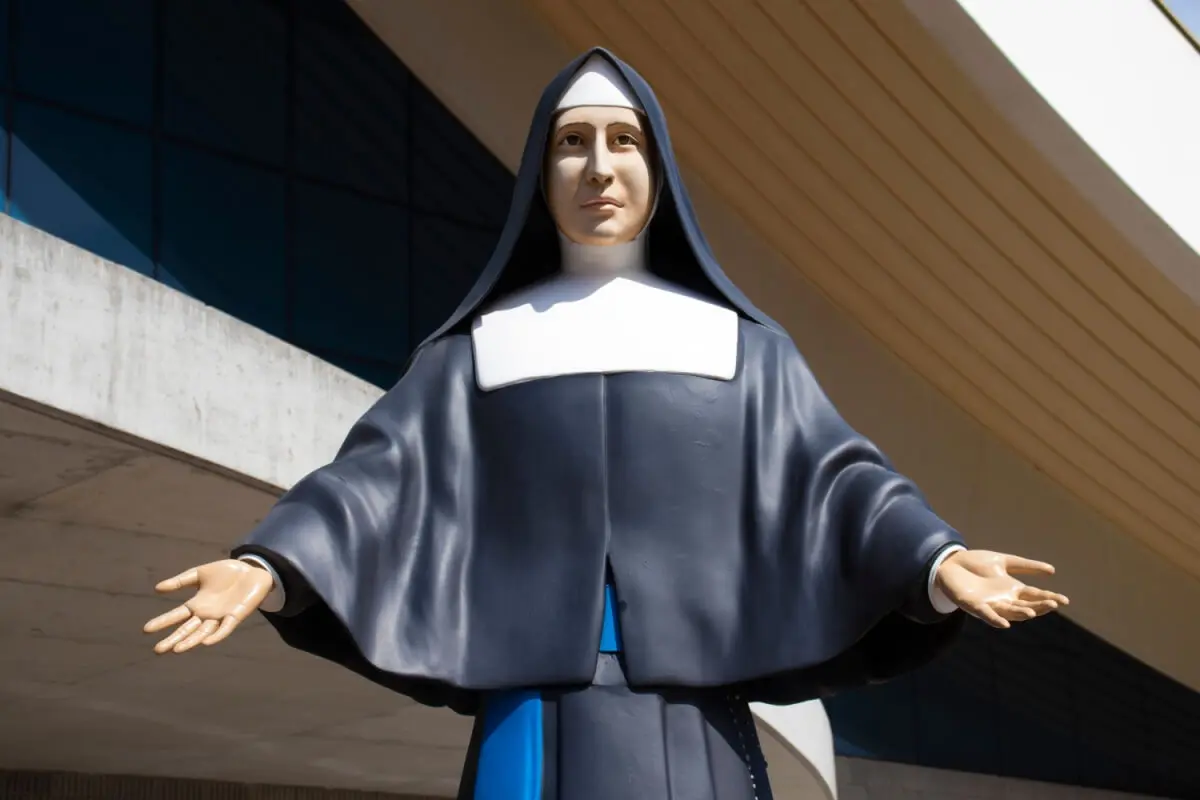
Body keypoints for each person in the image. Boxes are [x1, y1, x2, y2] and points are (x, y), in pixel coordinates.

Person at [144, 49, 1069, 800]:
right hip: (529, 712)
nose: (598, 167)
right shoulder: (476, 353)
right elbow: (372, 485)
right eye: (571, 143)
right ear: (539, 175)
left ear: (658, 169)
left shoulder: (739, 348)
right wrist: (272, 563)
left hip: (695, 711)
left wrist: (934, 558)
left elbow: (836, 480)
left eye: (623, 140)